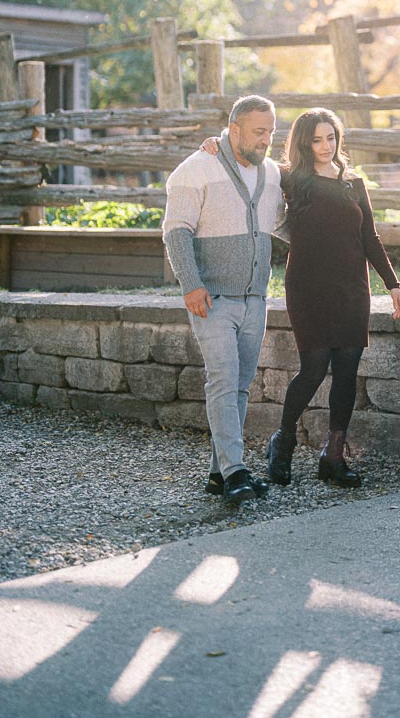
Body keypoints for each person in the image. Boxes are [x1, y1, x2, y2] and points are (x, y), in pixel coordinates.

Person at [202, 107, 400, 489]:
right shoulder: (289, 179)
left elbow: (370, 238)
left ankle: (333, 455)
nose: (325, 146)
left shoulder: (354, 183)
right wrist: (217, 144)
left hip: (352, 288)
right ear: (303, 142)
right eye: (316, 139)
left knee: (346, 371)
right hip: (308, 286)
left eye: (331, 138)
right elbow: (246, 165)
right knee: (313, 368)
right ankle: (285, 439)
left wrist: (392, 284)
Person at [163, 94, 283, 507]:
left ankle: (219, 474)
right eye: (258, 131)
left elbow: (282, 224)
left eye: (270, 131)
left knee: (241, 387)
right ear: (233, 129)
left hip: (255, 298)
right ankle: (236, 470)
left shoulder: (271, 173)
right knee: (222, 382)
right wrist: (190, 284)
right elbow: (175, 230)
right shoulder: (196, 168)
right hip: (211, 298)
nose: (266, 139)